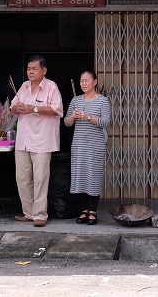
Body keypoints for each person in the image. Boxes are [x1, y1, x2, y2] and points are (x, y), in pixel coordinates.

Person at [10, 55, 64, 228]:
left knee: (40, 178)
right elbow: (12, 107)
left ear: (44, 70)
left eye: (34, 69)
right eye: (28, 69)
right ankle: (28, 212)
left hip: (42, 140)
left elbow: (57, 109)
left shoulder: (51, 87)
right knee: (22, 178)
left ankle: (40, 214)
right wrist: (16, 108)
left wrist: (33, 108)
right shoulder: (24, 86)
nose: (30, 72)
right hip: (23, 140)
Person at [64, 69, 111, 224]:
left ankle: (93, 211)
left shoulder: (102, 101)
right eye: (81, 81)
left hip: (95, 145)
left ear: (95, 82)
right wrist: (73, 116)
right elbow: (66, 123)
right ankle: (83, 210)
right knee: (80, 177)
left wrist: (88, 116)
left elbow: (105, 122)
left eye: (87, 80)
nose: (83, 83)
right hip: (79, 145)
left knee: (93, 178)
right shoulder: (75, 100)